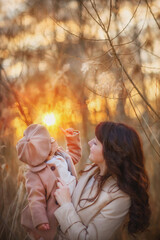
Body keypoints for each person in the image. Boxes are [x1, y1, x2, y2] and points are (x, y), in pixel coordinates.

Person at [54, 121, 151, 240]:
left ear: (110, 152)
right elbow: (65, 167)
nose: (89, 143)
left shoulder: (120, 197)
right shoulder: (90, 170)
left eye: (95, 143)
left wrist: (66, 205)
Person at [16, 123, 81, 240]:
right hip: (57, 214)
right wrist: (40, 220)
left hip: (75, 202)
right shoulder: (35, 174)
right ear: (45, 150)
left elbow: (74, 156)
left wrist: (72, 139)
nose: (54, 140)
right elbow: (35, 199)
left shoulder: (59, 154)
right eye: (50, 139)